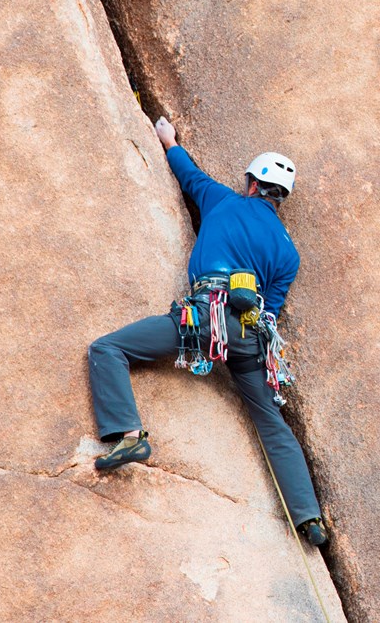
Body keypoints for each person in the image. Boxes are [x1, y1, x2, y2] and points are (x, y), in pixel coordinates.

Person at [86, 116, 327, 546]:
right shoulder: (288, 253)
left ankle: (127, 435)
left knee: (108, 350)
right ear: (280, 198)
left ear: (252, 184)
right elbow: (268, 311)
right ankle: (309, 519)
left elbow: (189, 176)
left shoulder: (223, 202)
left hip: (205, 319)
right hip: (250, 337)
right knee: (270, 420)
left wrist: (169, 140)